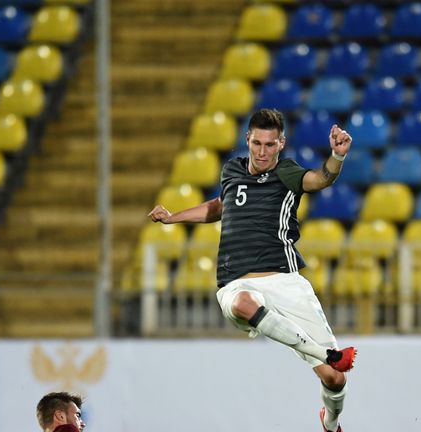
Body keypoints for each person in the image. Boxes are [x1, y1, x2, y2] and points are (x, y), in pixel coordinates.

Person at [149, 108, 355, 432]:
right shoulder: (231, 170)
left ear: (281, 143)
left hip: (286, 281)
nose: (261, 152)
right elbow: (220, 206)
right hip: (235, 283)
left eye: (270, 145)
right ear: (247, 139)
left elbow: (321, 178)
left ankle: (331, 424)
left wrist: (337, 157)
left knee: (335, 378)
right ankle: (323, 353)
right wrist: (174, 217)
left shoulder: (287, 174)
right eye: (256, 143)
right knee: (244, 304)